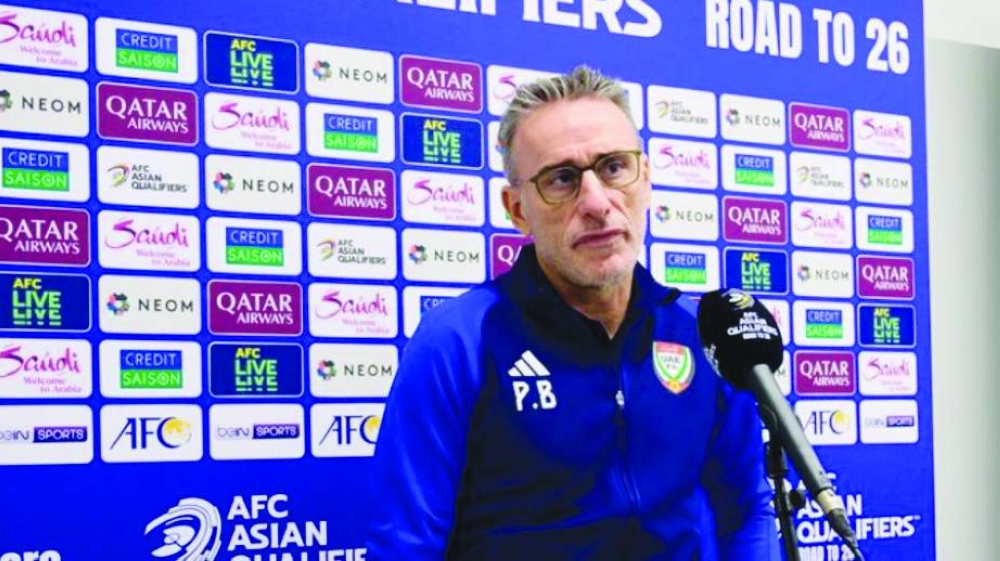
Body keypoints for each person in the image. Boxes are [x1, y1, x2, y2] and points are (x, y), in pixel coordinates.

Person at [366, 65, 779, 560]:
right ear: (518, 209)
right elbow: (404, 546)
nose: (597, 202)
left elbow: (747, 510)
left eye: (613, 168)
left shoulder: (705, 335)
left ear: (645, 179)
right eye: (561, 179)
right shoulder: (459, 341)